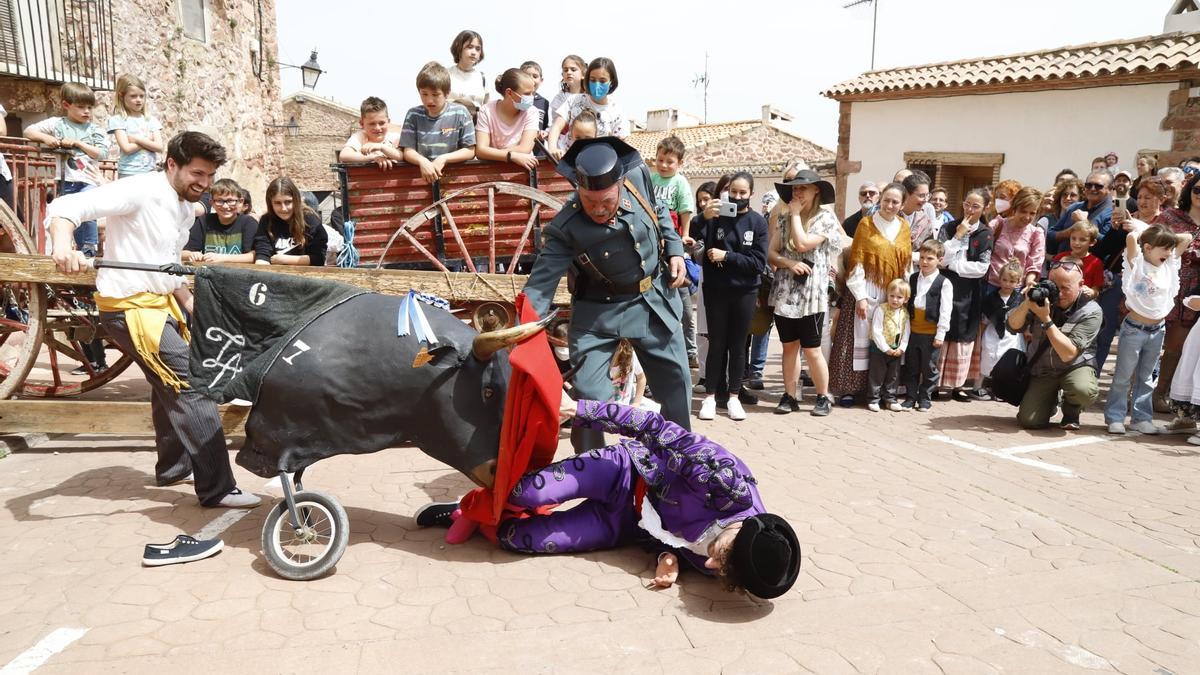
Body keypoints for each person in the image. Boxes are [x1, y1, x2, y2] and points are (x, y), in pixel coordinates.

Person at [46, 131, 260, 508]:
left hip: (159, 305)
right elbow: (66, 207)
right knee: (192, 387)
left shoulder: (183, 206)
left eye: (210, 176)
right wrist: (64, 245)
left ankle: (174, 467)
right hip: (128, 310)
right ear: (172, 164)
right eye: (197, 174)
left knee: (167, 387)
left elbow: (167, 267)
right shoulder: (138, 189)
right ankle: (218, 488)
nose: (205, 184)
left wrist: (193, 305)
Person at [456, 396, 801, 598]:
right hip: (626, 472)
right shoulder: (722, 480)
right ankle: (471, 506)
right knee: (527, 492)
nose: (711, 565)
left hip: (626, 524)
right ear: (744, 529)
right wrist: (580, 409)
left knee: (516, 539)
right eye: (722, 556)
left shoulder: (733, 565)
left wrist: (669, 556)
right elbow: (653, 427)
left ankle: (487, 517)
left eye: (722, 571)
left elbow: (683, 544)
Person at [521, 137, 691, 451]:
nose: (599, 209)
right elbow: (539, 288)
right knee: (589, 398)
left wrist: (676, 250)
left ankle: (677, 461)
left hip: (653, 300)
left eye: (607, 201)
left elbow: (659, 209)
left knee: (678, 386)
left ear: (621, 185)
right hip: (597, 314)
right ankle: (591, 468)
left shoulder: (638, 176)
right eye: (589, 201)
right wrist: (521, 330)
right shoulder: (565, 228)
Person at [694, 172, 769, 421]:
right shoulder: (715, 217)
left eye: (742, 193)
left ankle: (735, 397)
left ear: (751, 194)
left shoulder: (758, 222)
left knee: (738, 346)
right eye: (733, 192)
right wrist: (702, 218)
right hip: (716, 289)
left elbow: (758, 262)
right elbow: (693, 237)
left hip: (745, 291)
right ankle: (710, 398)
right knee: (717, 344)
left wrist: (727, 257)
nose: (737, 197)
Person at [767, 170, 841, 416]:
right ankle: (789, 395)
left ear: (816, 190)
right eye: (795, 188)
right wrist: (788, 263)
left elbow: (802, 243)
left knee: (812, 349)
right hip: (786, 290)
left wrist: (796, 215)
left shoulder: (825, 218)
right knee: (789, 346)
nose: (797, 192)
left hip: (812, 294)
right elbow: (772, 253)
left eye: (803, 188)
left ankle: (823, 396)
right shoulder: (784, 218)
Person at [1106, 225, 1190, 435]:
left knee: (1146, 378)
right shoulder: (1137, 263)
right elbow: (1132, 237)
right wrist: (1145, 230)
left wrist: (1163, 235)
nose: (1169, 252)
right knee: (1123, 376)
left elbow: (1187, 238)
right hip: (1134, 329)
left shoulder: (1169, 265)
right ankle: (1115, 417)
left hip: (1157, 330)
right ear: (1148, 247)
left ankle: (1141, 418)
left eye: (1170, 248)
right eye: (1164, 248)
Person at [1007, 258, 1101, 430]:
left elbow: (1068, 353)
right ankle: (1050, 401)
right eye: (1055, 287)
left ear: (1081, 285)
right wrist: (1027, 304)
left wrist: (1045, 319)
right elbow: (1013, 325)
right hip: (1044, 369)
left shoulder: (1091, 310)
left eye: (1066, 288)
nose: (1060, 294)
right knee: (1030, 421)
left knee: (1083, 390)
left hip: (1074, 366)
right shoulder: (1041, 299)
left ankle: (1072, 409)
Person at [842, 182, 913, 407]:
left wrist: (903, 293)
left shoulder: (903, 227)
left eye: (895, 202)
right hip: (868, 287)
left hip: (892, 292)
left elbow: (906, 265)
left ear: (902, 204)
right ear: (880, 199)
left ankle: (884, 392)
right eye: (886, 200)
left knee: (888, 337)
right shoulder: (866, 224)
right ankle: (857, 390)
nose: (890, 205)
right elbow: (857, 262)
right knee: (863, 340)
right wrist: (860, 296)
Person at [23, 82, 109, 258]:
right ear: (66, 105)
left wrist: (77, 143)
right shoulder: (57, 124)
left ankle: (89, 248)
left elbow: (101, 153)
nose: (87, 111)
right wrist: (46, 138)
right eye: (81, 107)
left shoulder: (94, 130)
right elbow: (29, 131)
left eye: (90, 107)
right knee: (70, 214)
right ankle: (78, 250)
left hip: (88, 179)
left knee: (88, 210)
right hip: (66, 180)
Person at [1145, 175, 1200, 415]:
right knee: (1149, 340)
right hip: (1164, 283)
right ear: (1189, 189)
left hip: (1193, 290)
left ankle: (1160, 395)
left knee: (1176, 346)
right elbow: (1151, 239)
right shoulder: (1170, 217)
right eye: (1197, 188)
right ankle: (1138, 392)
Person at [936, 188, 992, 402]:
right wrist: (958, 235)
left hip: (970, 291)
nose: (969, 209)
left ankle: (958, 385)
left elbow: (981, 268)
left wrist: (955, 265)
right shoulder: (948, 227)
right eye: (967, 204)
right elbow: (940, 257)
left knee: (964, 333)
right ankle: (935, 382)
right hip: (945, 286)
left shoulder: (985, 233)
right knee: (943, 328)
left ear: (985, 208)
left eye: (975, 206)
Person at [650, 136, 698, 371]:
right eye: (660, 160)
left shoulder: (679, 182)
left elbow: (685, 210)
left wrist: (683, 236)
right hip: (653, 237)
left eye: (670, 161)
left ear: (679, 163)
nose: (664, 165)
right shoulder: (650, 179)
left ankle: (690, 350)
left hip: (672, 238)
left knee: (683, 305)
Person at [400, 62, 476, 184]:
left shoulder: (461, 113)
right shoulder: (413, 115)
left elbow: (470, 150)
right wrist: (422, 161)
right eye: (424, 94)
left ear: (447, 93)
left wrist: (444, 158)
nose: (429, 100)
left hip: (455, 183)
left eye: (435, 94)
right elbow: (408, 151)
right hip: (421, 183)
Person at [903, 239, 952, 411]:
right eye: (922, 257)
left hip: (931, 333)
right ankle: (910, 397)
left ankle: (925, 397)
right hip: (913, 331)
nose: (924, 262)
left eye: (930, 258)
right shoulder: (913, 278)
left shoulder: (944, 283)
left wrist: (940, 334)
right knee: (912, 366)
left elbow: (946, 310)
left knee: (929, 367)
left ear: (940, 260)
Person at [546, 57, 628, 158]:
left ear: (611, 82)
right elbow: (557, 126)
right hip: (568, 162)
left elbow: (621, 145)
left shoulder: (616, 112)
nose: (597, 84)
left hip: (597, 165)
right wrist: (552, 148)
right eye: (593, 80)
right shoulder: (574, 100)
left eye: (602, 81)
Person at [473, 68, 540, 170]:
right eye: (527, 94)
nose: (531, 97)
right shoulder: (486, 111)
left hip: (522, 172)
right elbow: (480, 151)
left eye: (532, 93)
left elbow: (525, 148)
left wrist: (493, 154)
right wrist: (511, 156)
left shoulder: (532, 112)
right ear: (509, 92)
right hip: (492, 172)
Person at [254, 177, 326, 266]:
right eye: (277, 203)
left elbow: (319, 259)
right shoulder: (266, 221)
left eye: (288, 202)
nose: (283, 208)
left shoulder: (310, 219)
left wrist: (285, 259)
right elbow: (262, 255)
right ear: (270, 203)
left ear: (296, 200)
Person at [182, 178, 257, 264]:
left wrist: (223, 258)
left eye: (230, 201)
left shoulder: (248, 223)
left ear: (240, 201)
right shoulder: (204, 221)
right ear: (212, 203)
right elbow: (183, 252)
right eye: (219, 201)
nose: (225, 206)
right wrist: (192, 254)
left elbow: (254, 256)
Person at [978, 261, 1026, 392]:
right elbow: (985, 319)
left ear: (1018, 282)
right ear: (999, 279)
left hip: (1012, 336)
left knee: (1008, 360)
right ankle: (980, 386)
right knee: (989, 357)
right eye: (1004, 280)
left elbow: (1024, 320)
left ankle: (1003, 390)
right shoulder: (991, 298)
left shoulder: (1019, 299)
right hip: (993, 334)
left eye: (1011, 281)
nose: (1007, 284)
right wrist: (980, 336)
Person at [986, 187, 1045, 294]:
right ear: (1015, 209)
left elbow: (1034, 264)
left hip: (1016, 290)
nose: (1027, 217)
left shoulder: (1036, 233)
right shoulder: (997, 224)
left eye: (1032, 213)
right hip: (991, 285)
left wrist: (1030, 282)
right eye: (1023, 211)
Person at [106, 74, 163, 178]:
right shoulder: (118, 120)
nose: (139, 100)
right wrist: (148, 140)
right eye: (133, 96)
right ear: (121, 96)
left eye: (142, 96)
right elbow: (126, 149)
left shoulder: (151, 120)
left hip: (150, 171)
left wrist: (137, 140)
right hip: (128, 172)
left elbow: (159, 147)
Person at [867, 279, 910, 412]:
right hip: (880, 349)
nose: (895, 300)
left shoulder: (905, 313)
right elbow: (876, 330)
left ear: (906, 299)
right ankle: (873, 399)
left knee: (893, 376)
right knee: (877, 374)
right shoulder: (881, 309)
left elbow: (906, 332)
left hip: (895, 350)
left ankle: (890, 399)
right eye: (892, 296)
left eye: (899, 297)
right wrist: (885, 348)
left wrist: (901, 348)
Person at [339, 96, 403, 169]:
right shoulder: (360, 137)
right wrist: (374, 157)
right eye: (372, 124)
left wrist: (382, 147)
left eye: (382, 123)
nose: (377, 128)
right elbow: (344, 155)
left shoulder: (395, 138)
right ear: (362, 124)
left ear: (388, 122)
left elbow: (401, 156)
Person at [1053, 221, 1103, 298]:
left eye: (1082, 240)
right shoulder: (1059, 257)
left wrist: (1091, 292)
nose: (1076, 243)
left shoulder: (1096, 263)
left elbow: (1096, 290)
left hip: (1082, 302)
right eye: (1073, 238)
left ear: (1092, 242)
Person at [548, 55, 586, 156]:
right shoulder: (560, 98)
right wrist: (552, 148)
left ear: (583, 74)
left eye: (573, 69)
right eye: (565, 70)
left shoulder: (589, 97)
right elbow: (557, 125)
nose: (569, 72)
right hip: (564, 145)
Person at [447, 30, 488, 109]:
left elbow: (486, 109)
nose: (474, 52)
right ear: (459, 48)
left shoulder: (482, 78)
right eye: (470, 47)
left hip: (475, 121)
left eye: (478, 49)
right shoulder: (446, 74)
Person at [899, 170, 938, 251]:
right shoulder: (891, 216)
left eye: (927, 195)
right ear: (906, 194)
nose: (926, 200)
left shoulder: (925, 221)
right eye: (922, 195)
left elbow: (929, 250)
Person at [610, 339, 646, 407]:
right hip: (602, 409)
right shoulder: (600, 360)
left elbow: (641, 377)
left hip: (624, 408)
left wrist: (636, 402)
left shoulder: (631, 355)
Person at [519, 61, 551, 137]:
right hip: (517, 144)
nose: (531, 79)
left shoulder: (544, 102)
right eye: (526, 76)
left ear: (541, 80)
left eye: (535, 76)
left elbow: (545, 126)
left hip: (536, 146)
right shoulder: (516, 98)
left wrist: (544, 133)